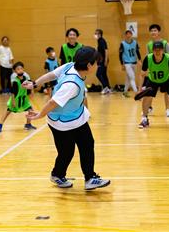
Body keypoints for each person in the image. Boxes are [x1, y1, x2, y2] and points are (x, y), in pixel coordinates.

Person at [24, 46, 111, 191]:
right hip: (61, 122)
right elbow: (53, 102)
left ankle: (90, 178)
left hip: (76, 115)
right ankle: (57, 175)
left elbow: (52, 75)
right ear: (89, 65)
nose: (97, 66)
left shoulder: (70, 65)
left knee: (87, 144)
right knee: (67, 151)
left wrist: (34, 83)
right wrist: (40, 114)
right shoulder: (71, 84)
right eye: (96, 63)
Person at [136, 41, 169, 129]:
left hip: (167, 79)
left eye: (159, 49)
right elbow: (142, 74)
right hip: (153, 80)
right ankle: (144, 118)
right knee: (146, 96)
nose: (157, 51)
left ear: (163, 50)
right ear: (153, 50)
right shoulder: (148, 58)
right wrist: (139, 90)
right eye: (155, 50)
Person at [0, 62, 36, 133]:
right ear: (15, 71)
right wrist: (13, 101)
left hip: (24, 99)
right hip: (16, 99)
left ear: (23, 69)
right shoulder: (15, 81)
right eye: (18, 69)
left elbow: (31, 85)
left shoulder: (26, 78)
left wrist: (32, 92)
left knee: (31, 110)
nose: (20, 70)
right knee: (7, 112)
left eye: (21, 68)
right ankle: (0, 124)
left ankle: (28, 124)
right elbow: (13, 93)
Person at [146, 24, 169, 117]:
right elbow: (147, 58)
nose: (153, 32)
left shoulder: (166, 44)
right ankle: (149, 108)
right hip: (153, 73)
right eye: (151, 31)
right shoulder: (149, 45)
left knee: (166, 92)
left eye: (155, 30)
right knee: (150, 91)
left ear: (159, 32)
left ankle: (168, 109)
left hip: (165, 73)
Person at [119, 30, 141, 97]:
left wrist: (140, 60)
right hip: (127, 63)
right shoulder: (122, 43)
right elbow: (120, 54)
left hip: (134, 62)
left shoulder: (135, 42)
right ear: (125, 35)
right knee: (132, 77)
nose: (128, 35)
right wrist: (122, 64)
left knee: (128, 78)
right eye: (127, 34)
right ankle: (137, 93)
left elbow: (137, 51)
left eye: (130, 34)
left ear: (131, 35)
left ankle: (124, 92)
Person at [95, 29, 111, 94]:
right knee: (104, 74)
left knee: (98, 74)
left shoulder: (101, 41)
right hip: (101, 60)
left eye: (96, 33)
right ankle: (108, 88)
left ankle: (105, 87)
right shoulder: (99, 41)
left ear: (100, 34)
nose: (95, 35)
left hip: (103, 60)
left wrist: (105, 60)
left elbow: (106, 50)